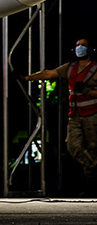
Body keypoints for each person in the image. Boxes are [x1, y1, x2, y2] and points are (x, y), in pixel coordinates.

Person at [26, 39, 97, 195]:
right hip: (75, 115)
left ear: (89, 49)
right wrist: (28, 78)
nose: (79, 48)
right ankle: (93, 171)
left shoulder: (95, 68)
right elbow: (50, 73)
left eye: (83, 45)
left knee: (93, 148)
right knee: (74, 146)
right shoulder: (70, 68)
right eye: (77, 45)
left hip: (92, 115)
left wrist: (88, 91)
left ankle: (91, 185)